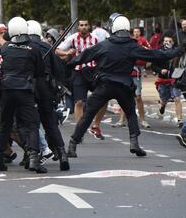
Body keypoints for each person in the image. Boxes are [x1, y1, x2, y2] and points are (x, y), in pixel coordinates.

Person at [65, 13, 185, 158]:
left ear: (113, 28)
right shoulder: (133, 46)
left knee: (88, 114)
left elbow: (81, 58)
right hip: (124, 86)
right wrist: (179, 50)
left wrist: (66, 63)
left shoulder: (103, 45)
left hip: (104, 85)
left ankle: (72, 144)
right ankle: (134, 143)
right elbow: (157, 55)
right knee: (130, 113)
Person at [0, 16, 47, 173]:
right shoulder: (34, 49)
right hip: (25, 90)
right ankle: (34, 159)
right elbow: (40, 72)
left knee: (5, 125)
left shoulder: (6, 48)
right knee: (32, 125)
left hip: (7, 90)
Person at [27, 19, 70, 171]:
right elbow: (59, 71)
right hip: (46, 89)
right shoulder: (47, 47)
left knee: (31, 124)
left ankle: (31, 156)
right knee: (50, 123)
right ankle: (63, 154)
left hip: (30, 88)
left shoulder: (25, 47)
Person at [56, 19, 107, 140]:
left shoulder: (96, 39)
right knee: (79, 102)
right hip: (78, 72)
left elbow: (106, 50)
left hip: (93, 71)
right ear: (78, 27)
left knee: (104, 99)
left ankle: (96, 125)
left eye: (85, 25)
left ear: (89, 27)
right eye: (81, 25)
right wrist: (67, 52)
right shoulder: (73, 38)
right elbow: (57, 50)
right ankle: (79, 131)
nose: (83, 27)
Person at [151, 35, 183, 127]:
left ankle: (179, 120)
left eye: (169, 41)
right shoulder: (159, 52)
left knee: (177, 98)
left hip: (174, 79)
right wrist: (160, 70)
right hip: (163, 80)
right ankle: (163, 105)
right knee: (164, 98)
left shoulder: (177, 52)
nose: (167, 43)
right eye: (165, 41)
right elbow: (153, 66)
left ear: (173, 42)